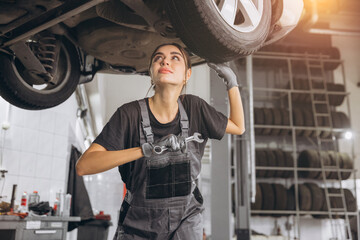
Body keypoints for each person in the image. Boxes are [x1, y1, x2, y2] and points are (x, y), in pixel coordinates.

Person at [76, 43, 245, 240]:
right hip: (138, 226)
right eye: (158, 58)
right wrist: (145, 150)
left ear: (187, 75)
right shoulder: (129, 114)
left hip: (185, 222)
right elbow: (84, 166)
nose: (165, 60)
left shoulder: (194, 108)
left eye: (175, 58)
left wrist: (232, 83)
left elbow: (238, 127)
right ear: (151, 73)